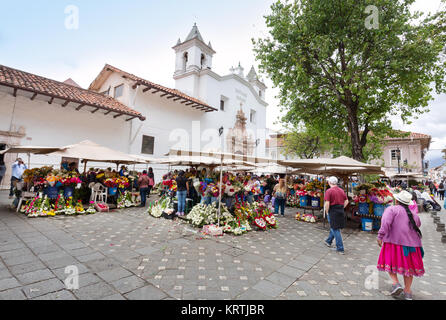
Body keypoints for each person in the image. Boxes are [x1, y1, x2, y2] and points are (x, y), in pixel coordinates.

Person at [376, 190, 424, 300]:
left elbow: (385, 223)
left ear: (396, 200)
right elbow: (418, 224)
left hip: (394, 243)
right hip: (412, 247)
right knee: (408, 269)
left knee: (390, 263)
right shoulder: (414, 215)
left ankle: (396, 283)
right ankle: (407, 292)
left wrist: (380, 236)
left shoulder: (391, 209)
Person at [324, 176, 348, 255]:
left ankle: (340, 248)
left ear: (329, 182)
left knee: (335, 229)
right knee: (334, 227)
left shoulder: (329, 191)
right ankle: (328, 241)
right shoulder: (341, 190)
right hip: (340, 210)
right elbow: (346, 201)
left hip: (332, 210)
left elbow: (327, 203)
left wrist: (327, 212)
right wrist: (342, 207)